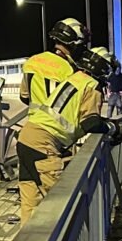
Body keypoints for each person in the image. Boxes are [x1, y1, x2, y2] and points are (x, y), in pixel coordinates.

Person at [15, 17, 89, 224]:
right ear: (73, 44)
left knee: (29, 202)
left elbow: (24, 96)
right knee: (58, 201)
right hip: (51, 139)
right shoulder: (69, 71)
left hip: (30, 133)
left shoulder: (32, 62)